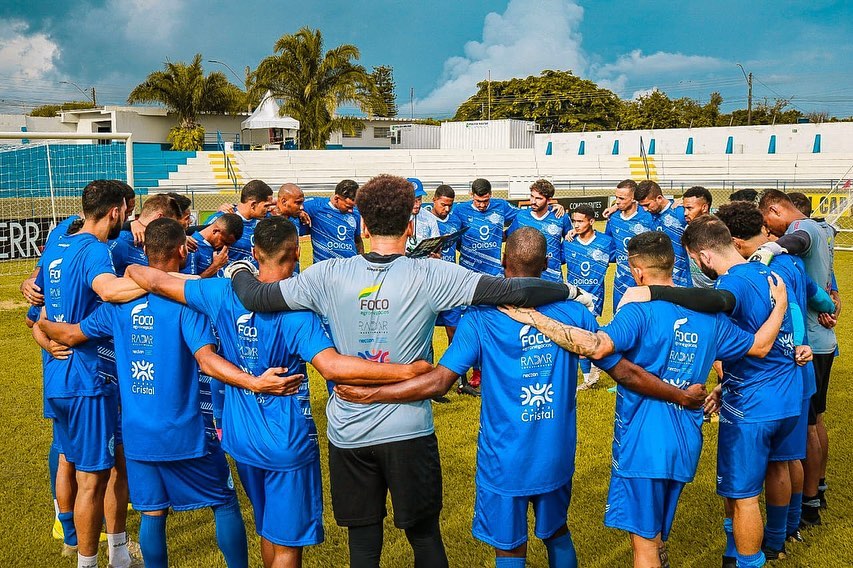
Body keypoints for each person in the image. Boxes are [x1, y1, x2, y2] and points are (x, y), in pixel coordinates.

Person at [227, 174, 595, 567]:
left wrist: (238, 268)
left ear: (363, 226)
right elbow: (514, 290)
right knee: (424, 537)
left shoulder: (327, 275)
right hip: (409, 430)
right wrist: (570, 290)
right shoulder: (432, 275)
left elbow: (257, 297)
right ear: (409, 226)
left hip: (349, 429)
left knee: (364, 545)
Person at [334, 228, 715, 568]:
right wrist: (680, 395)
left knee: (509, 548)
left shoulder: (481, 318)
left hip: (504, 458)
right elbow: (626, 372)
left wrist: (375, 395)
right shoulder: (575, 314)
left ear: (503, 262)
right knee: (556, 532)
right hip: (555, 452)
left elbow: (438, 384)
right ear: (548, 264)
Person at [125, 216, 435, 568]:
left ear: (255, 252)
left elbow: (148, 276)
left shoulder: (220, 292)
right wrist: (407, 369)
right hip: (286, 442)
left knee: (267, 529)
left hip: (242, 440)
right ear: (294, 253)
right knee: (286, 544)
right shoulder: (296, 313)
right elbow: (332, 366)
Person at [499, 230, 787, 568]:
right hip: (685, 442)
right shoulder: (710, 317)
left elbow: (596, 346)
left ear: (636, 272)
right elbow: (760, 346)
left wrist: (532, 317)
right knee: (657, 535)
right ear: (674, 263)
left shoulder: (636, 313)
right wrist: (780, 306)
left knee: (645, 546)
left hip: (642, 445)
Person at [38, 218, 307, 568]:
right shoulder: (188, 305)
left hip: (137, 435)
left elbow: (71, 335)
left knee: (152, 515)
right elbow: (208, 362)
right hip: (188, 432)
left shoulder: (116, 308)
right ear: (182, 250)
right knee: (224, 503)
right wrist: (254, 382)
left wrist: (43, 324)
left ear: (145, 251)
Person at [35, 179, 145, 568]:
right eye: (126, 212)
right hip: (89, 382)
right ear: (116, 211)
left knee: (112, 463)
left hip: (60, 379)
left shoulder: (56, 248)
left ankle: (118, 553)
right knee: (92, 478)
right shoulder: (96, 250)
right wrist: (162, 281)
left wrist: (48, 337)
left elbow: (41, 316)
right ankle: (88, 562)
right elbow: (110, 290)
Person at [680, 215, 801, 568]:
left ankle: (744, 561)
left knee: (743, 495)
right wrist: (723, 383)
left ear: (704, 256)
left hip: (751, 405)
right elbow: (782, 335)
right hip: (787, 394)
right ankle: (770, 543)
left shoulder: (731, 287)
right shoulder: (770, 273)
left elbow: (754, 343)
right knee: (778, 468)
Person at [715, 202, 835, 553]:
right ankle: (787, 530)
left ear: (733, 241)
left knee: (749, 478)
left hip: (764, 379)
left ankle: (742, 547)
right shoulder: (791, 262)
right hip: (797, 373)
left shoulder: (750, 272)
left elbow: (783, 312)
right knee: (787, 459)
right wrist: (826, 314)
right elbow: (815, 300)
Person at [755, 189, 839, 526]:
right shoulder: (822, 228)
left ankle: (808, 502)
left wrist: (770, 248)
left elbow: (798, 241)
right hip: (821, 338)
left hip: (808, 344)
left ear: (774, 210)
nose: (770, 230)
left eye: (768, 222)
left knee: (806, 427)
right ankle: (816, 490)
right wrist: (831, 302)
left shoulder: (802, 229)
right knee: (815, 421)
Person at [562, 204, 613, 390]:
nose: (576, 225)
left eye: (580, 221)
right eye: (574, 221)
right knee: (579, 338)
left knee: (583, 338)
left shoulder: (606, 242)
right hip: (573, 298)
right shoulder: (568, 242)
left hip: (594, 299)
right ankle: (590, 375)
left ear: (592, 221)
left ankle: (591, 376)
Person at [507, 179, 570, 282]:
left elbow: (571, 240)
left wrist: (559, 258)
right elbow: (509, 238)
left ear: (549, 200)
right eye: (532, 196)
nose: (533, 201)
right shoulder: (521, 216)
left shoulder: (561, 217)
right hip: (526, 277)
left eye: (538, 198)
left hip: (553, 277)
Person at [604, 179, 654, 310]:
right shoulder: (613, 218)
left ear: (633, 198)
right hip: (620, 281)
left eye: (622, 198)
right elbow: (609, 246)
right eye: (616, 198)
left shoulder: (648, 217)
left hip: (645, 279)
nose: (617, 201)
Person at [634, 180, 691, 287]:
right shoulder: (648, 214)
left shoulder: (679, 211)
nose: (645, 209)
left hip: (683, 278)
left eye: (647, 205)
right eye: (642, 206)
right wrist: (614, 207)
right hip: (658, 279)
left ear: (659, 198)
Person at [109, 194, 183, 275]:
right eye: (170, 225)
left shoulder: (157, 241)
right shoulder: (121, 242)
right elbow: (105, 283)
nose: (171, 232)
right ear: (160, 218)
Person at [207, 180, 276, 266]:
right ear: (253, 205)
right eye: (266, 206)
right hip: (227, 277)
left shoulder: (266, 220)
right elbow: (201, 243)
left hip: (253, 277)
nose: (269, 209)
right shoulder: (221, 219)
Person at [301, 179, 364, 262]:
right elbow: (290, 203)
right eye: (348, 206)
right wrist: (300, 212)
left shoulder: (355, 212)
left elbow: (357, 240)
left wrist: (361, 262)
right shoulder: (315, 206)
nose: (351, 210)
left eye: (353, 207)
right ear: (337, 198)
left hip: (349, 269)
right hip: (324, 270)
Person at [184, 213, 243, 278]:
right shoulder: (192, 246)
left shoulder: (216, 249)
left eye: (229, 245)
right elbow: (188, 284)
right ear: (215, 231)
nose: (225, 248)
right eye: (224, 242)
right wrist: (215, 266)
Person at [681, 186, 715, 289]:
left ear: (704, 207)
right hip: (695, 289)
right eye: (684, 208)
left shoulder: (718, 230)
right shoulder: (687, 228)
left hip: (716, 289)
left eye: (690, 208)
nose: (685, 213)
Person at [274, 183, 311, 274]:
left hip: (293, 276)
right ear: (283, 201)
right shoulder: (265, 218)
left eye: (302, 202)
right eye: (297, 203)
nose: (302, 207)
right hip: (272, 278)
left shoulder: (297, 218)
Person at [406, 177, 441, 253]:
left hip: (424, 263)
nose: (417, 205)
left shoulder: (429, 217)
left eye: (419, 199)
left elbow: (436, 245)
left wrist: (436, 254)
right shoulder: (395, 217)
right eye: (413, 200)